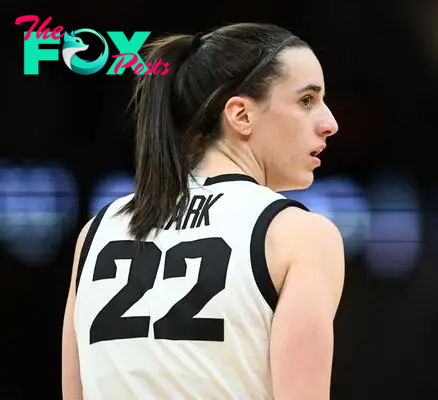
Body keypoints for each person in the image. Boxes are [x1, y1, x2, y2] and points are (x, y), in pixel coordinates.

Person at [61, 22, 344, 400]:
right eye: (306, 100)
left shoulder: (99, 231)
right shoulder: (299, 235)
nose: (330, 124)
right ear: (241, 115)